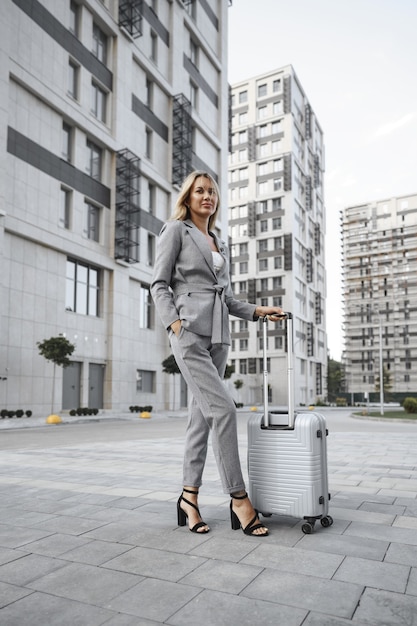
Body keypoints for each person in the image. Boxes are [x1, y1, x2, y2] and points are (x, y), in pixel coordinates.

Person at [151, 171, 284, 537]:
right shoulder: (176, 230)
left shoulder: (217, 241)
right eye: (199, 191)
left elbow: (225, 297)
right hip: (190, 332)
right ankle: (238, 498)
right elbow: (159, 283)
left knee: (201, 418)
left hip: (219, 337)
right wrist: (174, 325)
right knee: (224, 409)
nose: (207, 196)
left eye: (211, 191)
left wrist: (258, 311)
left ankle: (188, 498)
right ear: (188, 197)